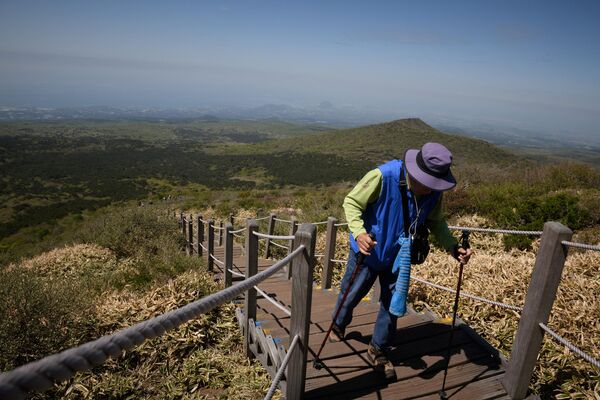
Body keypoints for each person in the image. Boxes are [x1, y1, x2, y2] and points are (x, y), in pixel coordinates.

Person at [331, 142, 472, 380]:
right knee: (351, 293)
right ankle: (338, 323)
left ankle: (379, 349)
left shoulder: (434, 193)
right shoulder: (382, 176)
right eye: (426, 184)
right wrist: (359, 233)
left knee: (393, 302)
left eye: (434, 185)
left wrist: (453, 247)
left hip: (400, 256)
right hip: (368, 251)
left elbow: (436, 222)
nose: (430, 190)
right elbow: (352, 202)